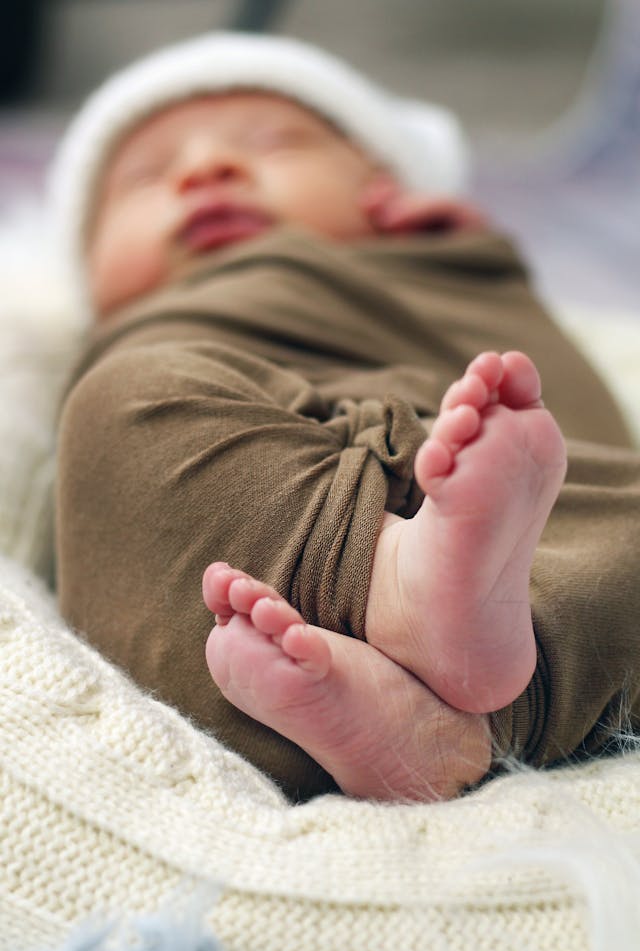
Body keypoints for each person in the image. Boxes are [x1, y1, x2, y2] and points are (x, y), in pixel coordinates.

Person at [53, 32, 640, 804]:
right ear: (94, 274)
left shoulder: (437, 270)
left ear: (387, 193)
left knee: (563, 483)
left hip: (534, 547)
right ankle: (395, 596)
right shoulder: (147, 334)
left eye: (274, 142)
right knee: (122, 408)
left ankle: (448, 728)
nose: (205, 169)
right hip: (278, 619)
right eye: (146, 177)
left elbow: (550, 393)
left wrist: (466, 257)